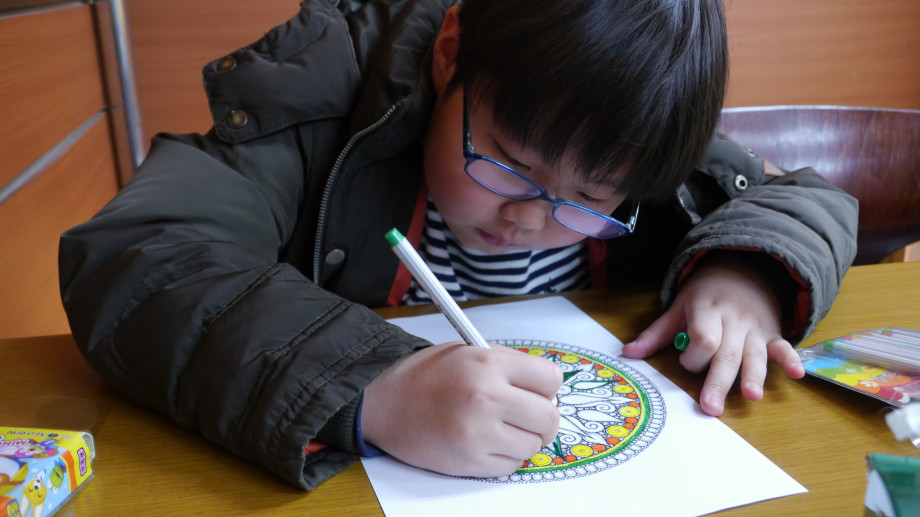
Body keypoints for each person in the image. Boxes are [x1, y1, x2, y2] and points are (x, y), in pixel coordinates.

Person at [58, 0, 857, 490]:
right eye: (509, 161)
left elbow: (804, 198)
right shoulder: (319, 97)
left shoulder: (636, 128)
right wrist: (376, 388)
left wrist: (745, 270)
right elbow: (137, 254)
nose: (529, 217)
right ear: (449, 55)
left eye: (591, 199)